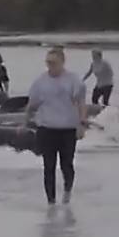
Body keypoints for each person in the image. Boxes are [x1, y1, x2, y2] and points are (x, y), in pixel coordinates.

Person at [25, 47, 89, 205]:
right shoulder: (40, 82)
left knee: (66, 164)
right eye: (48, 62)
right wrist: (25, 121)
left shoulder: (73, 80)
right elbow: (32, 105)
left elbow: (81, 103)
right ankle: (51, 202)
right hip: (46, 129)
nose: (50, 66)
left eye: (53, 63)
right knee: (48, 166)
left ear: (62, 62)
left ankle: (67, 190)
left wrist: (82, 124)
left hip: (67, 129)